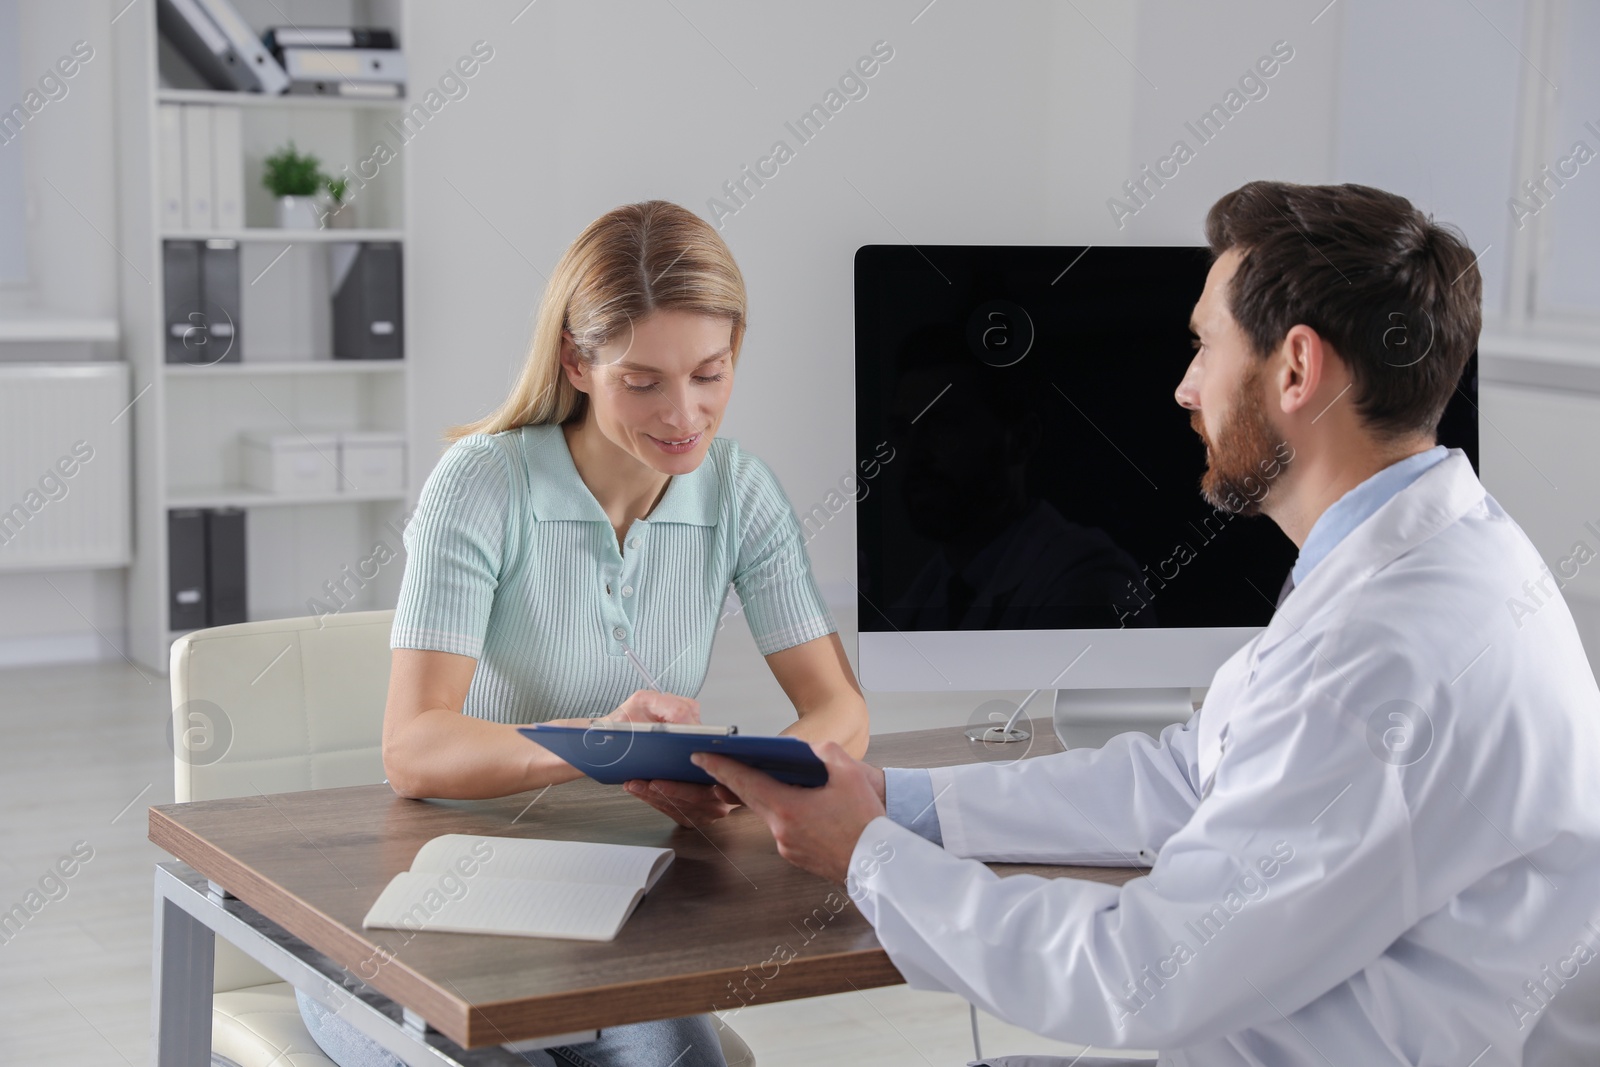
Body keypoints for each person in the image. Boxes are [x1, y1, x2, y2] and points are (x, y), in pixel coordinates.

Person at [694, 180, 1600, 1066]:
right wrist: (904, 802)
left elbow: (1146, 972)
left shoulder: (1384, 656)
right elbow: (1192, 773)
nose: (1183, 388)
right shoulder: (1437, 553)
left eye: (1205, 346)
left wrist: (869, 855)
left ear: (1294, 368)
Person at [296, 200, 870, 1067]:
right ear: (577, 359)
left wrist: (749, 780)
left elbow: (838, 707)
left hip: (622, 902)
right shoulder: (482, 483)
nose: (685, 414)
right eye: (644, 381)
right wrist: (603, 747)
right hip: (443, 900)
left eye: (710, 374)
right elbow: (413, 747)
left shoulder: (740, 492)